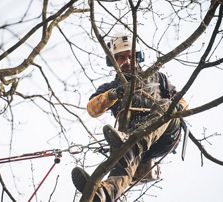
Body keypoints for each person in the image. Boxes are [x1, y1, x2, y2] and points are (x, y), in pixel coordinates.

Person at [71, 31, 187, 202]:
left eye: (130, 56)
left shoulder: (157, 77)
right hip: (129, 139)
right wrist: (113, 94)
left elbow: (181, 101)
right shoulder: (111, 87)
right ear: (113, 62)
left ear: (138, 57)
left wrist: (175, 108)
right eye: (121, 58)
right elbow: (92, 109)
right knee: (122, 166)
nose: (126, 61)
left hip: (166, 132)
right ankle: (101, 193)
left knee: (165, 106)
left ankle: (133, 144)